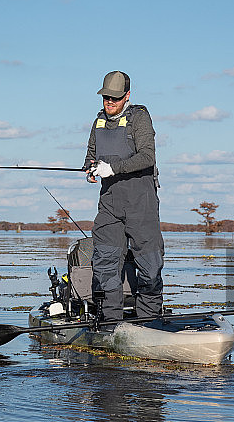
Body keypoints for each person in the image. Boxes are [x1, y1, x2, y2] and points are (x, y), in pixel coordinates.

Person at [84, 70, 164, 325]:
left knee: (150, 266)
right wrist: (90, 169)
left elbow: (147, 157)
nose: (110, 102)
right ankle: (110, 324)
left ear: (127, 96)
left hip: (141, 204)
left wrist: (113, 168)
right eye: (106, 97)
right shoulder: (98, 122)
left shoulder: (139, 118)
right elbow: (91, 155)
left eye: (115, 98)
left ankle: (149, 323)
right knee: (105, 263)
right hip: (109, 205)